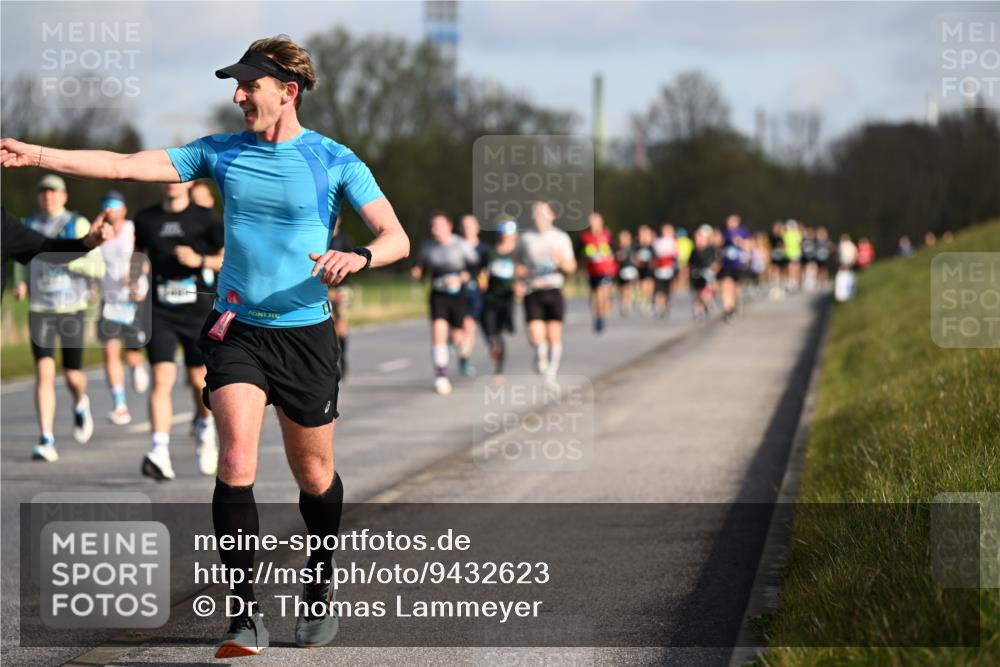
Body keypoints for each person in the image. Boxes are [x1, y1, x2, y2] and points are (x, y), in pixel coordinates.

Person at [1, 34, 411, 656]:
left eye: (250, 86)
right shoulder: (219, 154)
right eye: (237, 86)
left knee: (314, 474)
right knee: (237, 461)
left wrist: (356, 255)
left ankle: (319, 587)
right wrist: (34, 154)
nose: (240, 96)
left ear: (287, 92)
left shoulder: (335, 160)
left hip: (305, 334)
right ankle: (245, 616)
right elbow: (122, 165)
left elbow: (395, 237)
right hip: (236, 330)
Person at [132, 181, 224, 480]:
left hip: (197, 310)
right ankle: (159, 451)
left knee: (199, 378)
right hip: (159, 309)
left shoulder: (207, 218)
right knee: (162, 376)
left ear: (190, 182)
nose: (172, 184)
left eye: (179, 178)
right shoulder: (146, 218)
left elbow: (228, 259)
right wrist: (135, 279)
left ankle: (205, 427)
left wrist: (199, 260)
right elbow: (138, 256)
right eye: (167, 178)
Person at [12, 175, 106, 462]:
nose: (48, 197)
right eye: (43, 193)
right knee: (43, 372)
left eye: (53, 193)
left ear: (64, 196)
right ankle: (46, 438)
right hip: (40, 309)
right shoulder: (29, 225)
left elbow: (97, 267)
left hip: (71, 308)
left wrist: (65, 258)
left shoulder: (76, 223)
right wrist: (21, 282)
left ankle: (80, 401)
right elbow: (20, 257)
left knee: (73, 376)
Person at [95, 190, 149, 425]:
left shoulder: (131, 229)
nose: (111, 209)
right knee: (109, 350)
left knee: (132, 352)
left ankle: (137, 366)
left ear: (124, 210)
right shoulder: (100, 232)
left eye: (116, 205)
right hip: (110, 299)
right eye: (107, 205)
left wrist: (136, 273)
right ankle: (120, 405)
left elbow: (146, 256)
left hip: (134, 297)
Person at [411, 212, 476, 395]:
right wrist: (417, 272)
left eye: (438, 226)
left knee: (456, 338)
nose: (435, 230)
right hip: (438, 294)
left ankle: (462, 346)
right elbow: (421, 268)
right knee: (438, 330)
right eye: (433, 226)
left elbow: (473, 269)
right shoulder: (428, 247)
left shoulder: (461, 245)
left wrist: (461, 278)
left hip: (458, 295)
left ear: (449, 226)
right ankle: (440, 376)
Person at [518, 201, 576, 389]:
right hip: (533, 290)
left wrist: (559, 259)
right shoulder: (526, 238)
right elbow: (516, 262)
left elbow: (571, 267)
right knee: (536, 335)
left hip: (553, 289)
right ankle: (540, 355)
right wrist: (518, 277)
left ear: (552, 216)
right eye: (536, 213)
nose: (539, 217)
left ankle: (551, 375)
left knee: (554, 335)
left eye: (543, 214)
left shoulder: (561, 238)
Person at [2, 206, 112, 297]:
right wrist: (23, 282)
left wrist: (88, 242)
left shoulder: (3, 222)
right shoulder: (32, 221)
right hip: (40, 305)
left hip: (70, 305)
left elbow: (49, 250)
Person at [479, 218, 519, 384]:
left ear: (514, 235)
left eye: (509, 234)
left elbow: (524, 271)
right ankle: (492, 345)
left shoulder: (518, 253)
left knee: (501, 333)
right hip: (490, 297)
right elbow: (482, 272)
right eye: (503, 234)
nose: (506, 237)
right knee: (490, 332)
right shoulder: (490, 252)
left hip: (508, 298)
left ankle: (499, 370)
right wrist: (482, 281)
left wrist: (520, 284)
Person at [459, 214, 488, 375]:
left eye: (471, 225)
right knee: (457, 326)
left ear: (477, 228)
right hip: (456, 291)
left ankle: (464, 357)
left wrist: (483, 282)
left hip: (475, 291)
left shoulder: (483, 249)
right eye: (465, 225)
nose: (467, 228)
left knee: (469, 326)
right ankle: (456, 343)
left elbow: (485, 270)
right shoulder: (456, 244)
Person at [579, 212, 617, 332]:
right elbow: (579, 252)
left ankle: (601, 317)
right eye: (592, 222)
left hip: (606, 270)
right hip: (592, 270)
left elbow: (615, 249)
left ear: (601, 222)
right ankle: (597, 316)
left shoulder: (607, 235)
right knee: (595, 296)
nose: (594, 224)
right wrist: (587, 254)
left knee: (602, 292)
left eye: (596, 221)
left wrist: (609, 254)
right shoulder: (585, 237)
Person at [328, 215, 353, 380]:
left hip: (341, 287)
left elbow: (352, 264)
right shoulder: (321, 239)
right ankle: (332, 358)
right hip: (323, 288)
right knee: (327, 324)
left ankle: (342, 356)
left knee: (341, 320)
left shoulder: (345, 240)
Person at [718, 214, 750, 321]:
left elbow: (750, 245)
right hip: (726, 264)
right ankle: (728, 308)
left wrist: (740, 242)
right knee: (726, 284)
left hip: (739, 264)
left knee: (736, 287)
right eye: (729, 221)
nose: (731, 224)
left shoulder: (743, 232)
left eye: (733, 221)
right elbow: (718, 244)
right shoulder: (724, 232)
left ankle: (736, 303)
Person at [687, 224, 718, 321]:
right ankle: (698, 312)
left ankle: (708, 304)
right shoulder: (694, 250)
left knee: (706, 293)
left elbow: (715, 263)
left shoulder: (711, 249)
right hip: (696, 275)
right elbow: (690, 263)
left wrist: (712, 270)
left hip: (708, 276)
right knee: (697, 295)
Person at [651, 223, 679, 318]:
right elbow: (654, 255)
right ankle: (661, 307)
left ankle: (666, 304)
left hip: (670, 269)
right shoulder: (658, 242)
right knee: (659, 289)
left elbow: (676, 255)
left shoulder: (674, 242)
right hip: (660, 269)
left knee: (668, 289)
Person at [614, 228, 639, 316]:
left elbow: (637, 260)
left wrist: (634, 259)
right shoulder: (617, 248)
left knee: (628, 287)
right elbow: (615, 258)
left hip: (630, 271)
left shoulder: (633, 248)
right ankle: (624, 302)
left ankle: (626, 304)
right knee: (622, 289)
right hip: (620, 271)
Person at [634, 224, 656, 315]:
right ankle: (643, 300)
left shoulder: (652, 246)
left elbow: (655, 257)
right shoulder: (637, 246)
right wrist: (637, 262)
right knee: (643, 285)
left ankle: (649, 301)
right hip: (641, 268)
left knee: (650, 285)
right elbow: (634, 257)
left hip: (650, 268)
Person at [782, 219, 802, 291]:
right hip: (790, 253)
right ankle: (792, 281)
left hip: (794, 253)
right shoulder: (789, 234)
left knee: (793, 267)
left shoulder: (795, 234)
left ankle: (793, 281)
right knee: (791, 268)